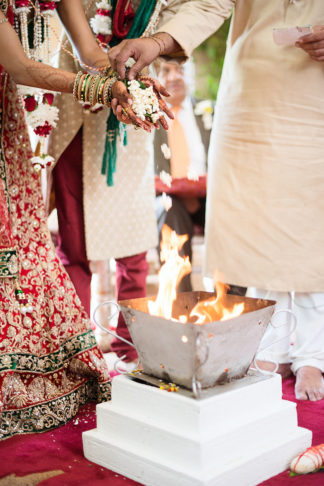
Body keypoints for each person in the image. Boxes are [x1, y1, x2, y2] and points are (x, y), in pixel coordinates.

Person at [108, 1, 324, 401]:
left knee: (313, 227)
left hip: (316, 96)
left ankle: (313, 353)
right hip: (251, 92)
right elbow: (211, 1)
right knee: (258, 223)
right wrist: (157, 43)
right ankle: (272, 343)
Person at [48, 0, 183, 365]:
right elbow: (84, 46)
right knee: (74, 246)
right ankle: (78, 354)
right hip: (76, 113)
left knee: (134, 247)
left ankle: (130, 349)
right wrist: (117, 82)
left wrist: (135, 88)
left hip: (131, 120)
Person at [154, 60, 211, 291]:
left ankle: (232, 301)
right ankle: (181, 308)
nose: (174, 77)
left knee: (232, 211)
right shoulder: (144, 117)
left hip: (211, 197)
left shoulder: (211, 111)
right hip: (169, 200)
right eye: (165, 71)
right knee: (170, 212)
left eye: (181, 69)